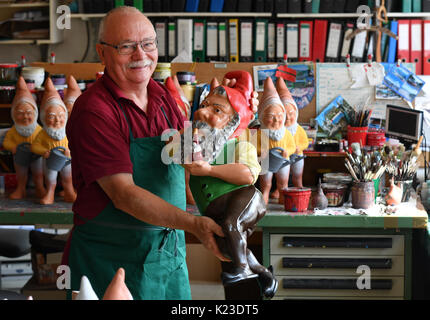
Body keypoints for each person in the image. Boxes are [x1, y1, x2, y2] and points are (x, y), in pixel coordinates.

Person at [62, 6, 228, 300]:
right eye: (126, 46)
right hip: (112, 261)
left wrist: (231, 117)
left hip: (166, 255)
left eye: (148, 44)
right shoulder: (94, 111)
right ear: (102, 53)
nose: (140, 55)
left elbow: (191, 161)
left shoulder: (164, 98)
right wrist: (193, 224)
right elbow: (123, 194)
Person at [184, 71, 278, 299]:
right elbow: (170, 153)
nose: (203, 111)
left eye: (217, 110)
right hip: (215, 210)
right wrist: (183, 140)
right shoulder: (192, 142)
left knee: (231, 223)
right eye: (204, 105)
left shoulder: (239, 146)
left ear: (233, 121)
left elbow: (247, 175)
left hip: (243, 201)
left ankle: (242, 270)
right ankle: (266, 275)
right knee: (230, 250)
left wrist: (209, 170)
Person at [31, 78, 76, 205]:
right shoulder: (43, 133)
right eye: (52, 117)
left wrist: (70, 152)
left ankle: (69, 193)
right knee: (51, 179)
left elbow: (76, 145)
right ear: (44, 117)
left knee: (68, 178)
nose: (57, 121)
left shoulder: (68, 130)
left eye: (61, 116)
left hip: (66, 160)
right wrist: (44, 151)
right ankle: (49, 194)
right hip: (50, 160)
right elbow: (34, 146)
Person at [3, 76, 45, 199]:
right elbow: (6, 142)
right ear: (14, 115)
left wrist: (42, 149)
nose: (25, 117)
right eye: (20, 114)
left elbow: (45, 141)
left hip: (36, 156)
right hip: (19, 156)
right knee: (21, 175)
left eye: (29, 113)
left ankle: (40, 188)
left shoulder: (39, 130)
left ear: (35, 113)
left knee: (38, 174)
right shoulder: (13, 130)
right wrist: (13, 147)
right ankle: (21, 189)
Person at [257, 77, 296, 204]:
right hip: (266, 160)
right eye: (271, 116)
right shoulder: (259, 133)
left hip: (283, 160)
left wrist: (287, 152)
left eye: (280, 116)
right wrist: (261, 153)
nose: (276, 120)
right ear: (262, 117)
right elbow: (252, 147)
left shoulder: (286, 133)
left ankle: (283, 198)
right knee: (265, 182)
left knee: (283, 182)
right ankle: (265, 196)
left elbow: (292, 146)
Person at [276, 78, 308, 188]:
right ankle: (279, 190)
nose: (288, 117)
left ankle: (298, 185)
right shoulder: (278, 132)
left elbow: (305, 142)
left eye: (291, 113)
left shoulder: (298, 129)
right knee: (281, 177)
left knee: (297, 174)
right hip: (283, 156)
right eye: (285, 115)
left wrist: (300, 147)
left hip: (297, 155)